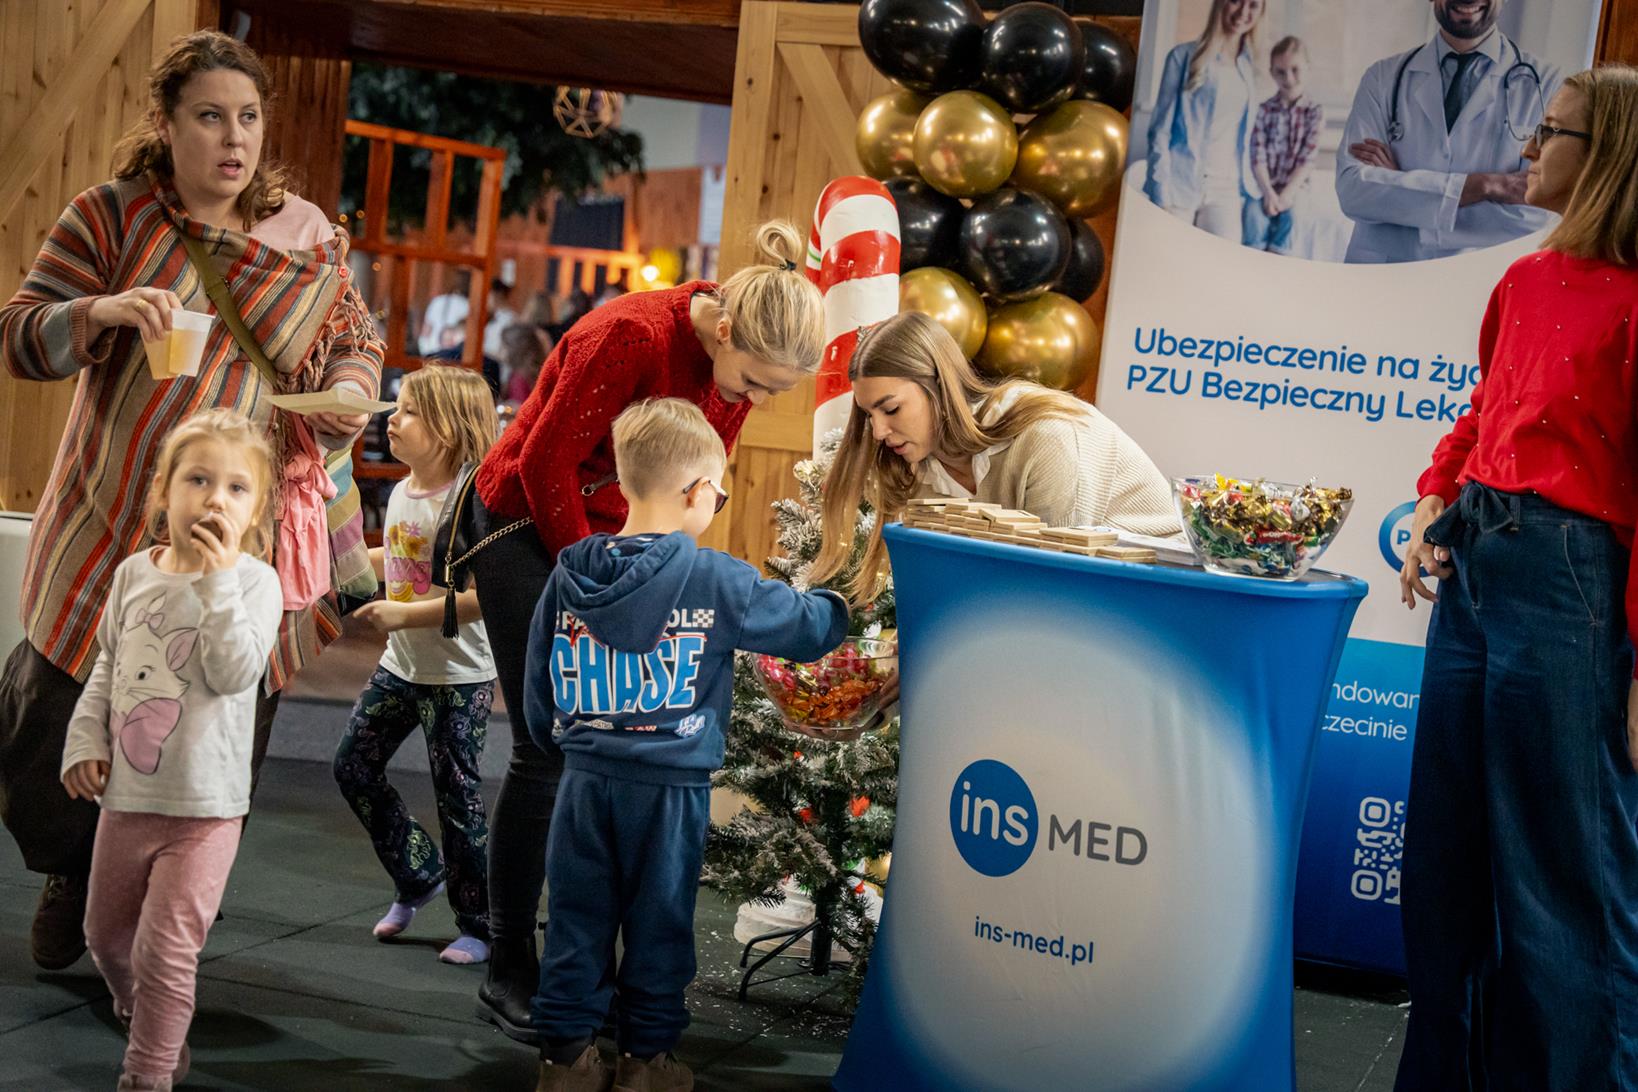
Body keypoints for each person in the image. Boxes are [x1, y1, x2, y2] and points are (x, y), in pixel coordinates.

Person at [0, 30, 383, 972]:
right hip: (110, 516)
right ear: (166, 124)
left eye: (248, 117)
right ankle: (71, 869)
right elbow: (17, 336)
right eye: (210, 116)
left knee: (215, 727)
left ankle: (158, 913)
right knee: (51, 718)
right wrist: (96, 313)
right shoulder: (111, 217)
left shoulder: (306, 234)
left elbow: (355, 341)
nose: (234, 137)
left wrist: (347, 390)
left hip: (243, 530)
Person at [458, 221, 824, 1042]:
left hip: (620, 538)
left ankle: (590, 964)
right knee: (548, 747)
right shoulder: (629, 336)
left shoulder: (734, 375)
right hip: (529, 524)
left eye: (772, 393)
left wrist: (668, 573)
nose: (754, 400)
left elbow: (702, 483)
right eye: (753, 382)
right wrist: (588, 584)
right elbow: (545, 463)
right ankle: (509, 958)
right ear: (723, 328)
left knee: (612, 745)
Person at [1396, 65, 1638, 1089]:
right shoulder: (1526, 280)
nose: (1530, 148)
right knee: (1443, 862)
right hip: (1479, 564)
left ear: (1610, 154)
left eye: (1552, 131)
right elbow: (1487, 409)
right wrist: (1433, 498)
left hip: (1573, 584)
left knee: (1564, 882)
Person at [524, 398, 849, 1092]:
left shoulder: (570, 572)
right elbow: (807, 629)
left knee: (575, 920)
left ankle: (565, 1063)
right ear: (699, 491)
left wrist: (571, 744)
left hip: (583, 781)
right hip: (670, 790)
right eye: (719, 494)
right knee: (660, 923)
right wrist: (839, 597)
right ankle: (645, 1063)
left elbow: (537, 685)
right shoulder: (717, 580)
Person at [61, 409, 284, 1092]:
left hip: (205, 811)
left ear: (256, 511)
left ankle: (149, 1070)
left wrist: (217, 582)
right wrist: (84, 737)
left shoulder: (255, 583)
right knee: (104, 937)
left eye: (237, 488)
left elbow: (234, 671)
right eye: (198, 480)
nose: (216, 499)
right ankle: (146, 1011)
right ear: (163, 490)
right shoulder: (134, 573)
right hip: (127, 801)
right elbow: (108, 664)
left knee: (165, 952)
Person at [811, 312, 1179, 603]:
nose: (878, 431)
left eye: (891, 409)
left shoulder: (1046, 437)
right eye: (869, 415)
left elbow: (1054, 590)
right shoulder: (925, 473)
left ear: (939, 385)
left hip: (1163, 596)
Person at [333, 365, 498, 966]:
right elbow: (403, 556)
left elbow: (488, 597)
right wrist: (345, 562)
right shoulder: (404, 490)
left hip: (459, 679)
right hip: (400, 667)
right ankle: (417, 874)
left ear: (448, 428)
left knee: (458, 798)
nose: (391, 420)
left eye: (406, 411)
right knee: (353, 766)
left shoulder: (475, 502)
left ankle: (479, 925)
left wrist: (404, 616)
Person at [1335, 0, 1562, 263]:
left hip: (1476, 274)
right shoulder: (1382, 78)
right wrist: (1486, 185)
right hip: (1381, 273)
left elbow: (1538, 213)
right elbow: (1354, 191)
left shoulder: (1546, 85)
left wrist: (1402, 191)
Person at [1143, 0, 1266, 241]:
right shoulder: (1182, 56)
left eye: (1253, 5)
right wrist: (1160, 193)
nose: (1243, 12)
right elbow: (1160, 131)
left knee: (1222, 262)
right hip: (1178, 185)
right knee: (1171, 259)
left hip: (1226, 189)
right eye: (1236, 1)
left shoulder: (1250, 67)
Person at [1245, 36, 1324, 254]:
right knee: (1253, 215)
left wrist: (1286, 195)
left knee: (1293, 216)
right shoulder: (1264, 110)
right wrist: (1269, 193)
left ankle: (1279, 259)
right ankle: (1252, 261)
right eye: (1280, 72)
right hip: (1264, 185)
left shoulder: (1314, 112)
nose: (1288, 78)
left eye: (1295, 70)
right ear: (1272, 73)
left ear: (1307, 68)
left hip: (1295, 187)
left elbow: (1307, 160)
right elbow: (1257, 156)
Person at [419, 269, 472, 356]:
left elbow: (425, 332)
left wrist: (425, 352)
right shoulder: (469, 306)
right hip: (453, 356)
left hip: (431, 352)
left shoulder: (437, 301)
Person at [499, 323, 549, 405]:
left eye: (503, 346)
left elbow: (521, 405)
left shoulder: (518, 379)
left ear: (514, 348)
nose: (500, 350)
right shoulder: (533, 372)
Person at [482, 278, 519, 361]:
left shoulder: (511, 319)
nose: (487, 299)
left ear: (498, 295)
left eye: (488, 295)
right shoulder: (494, 316)